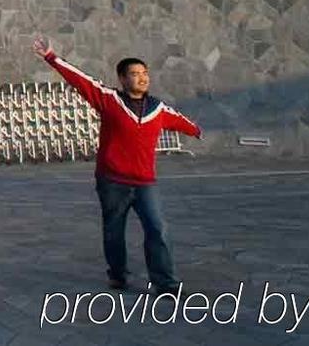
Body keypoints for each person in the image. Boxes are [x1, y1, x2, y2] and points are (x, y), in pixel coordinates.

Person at [33, 36, 201, 292]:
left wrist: (195, 130)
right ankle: (118, 274)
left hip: (145, 183)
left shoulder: (158, 109)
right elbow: (81, 79)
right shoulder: (108, 100)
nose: (142, 78)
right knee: (114, 232)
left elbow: (180, 121)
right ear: (123, 79)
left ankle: (165, 283)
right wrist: (51, 57)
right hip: (112, 181)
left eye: (145, 73)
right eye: (135, 74)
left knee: (158, 229)